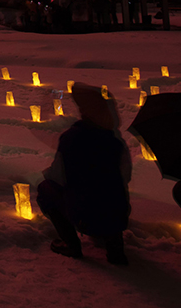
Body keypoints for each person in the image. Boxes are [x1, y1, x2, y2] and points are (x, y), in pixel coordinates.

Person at [37, 83, 131, 265]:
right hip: (118, 216)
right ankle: (115, 249)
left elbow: (58, 177)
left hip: (84, 215)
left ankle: (71, 244)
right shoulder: (115, 141)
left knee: (46, 189)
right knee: (111, 194)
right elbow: (124, 177)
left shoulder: (72, 138)